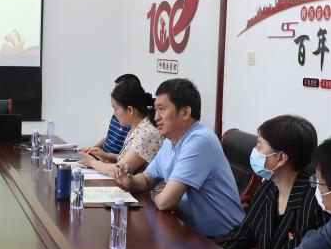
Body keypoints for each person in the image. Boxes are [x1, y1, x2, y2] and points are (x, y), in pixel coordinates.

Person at [218, 115, 331, 249]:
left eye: (259, 146)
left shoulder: (318, 201)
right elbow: (240, 237)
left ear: (280, 158)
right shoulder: (267, 189)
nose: (254, 151)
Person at [114, 78, 243, 238]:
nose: (156, 117)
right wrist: (130, 180)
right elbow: (146, 180)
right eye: (155, 109)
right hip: (187, 231)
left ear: (185, 113)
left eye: (162, 109)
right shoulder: (170, 141)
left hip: (223, 240)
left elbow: (165, 203)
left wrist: (156, 197)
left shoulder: (201, 140)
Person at [79, 78, 162, 177]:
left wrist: (92, 162)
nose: (114, 113)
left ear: (130, 110)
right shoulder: (138, 126)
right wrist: (105, 155)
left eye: (115, 109)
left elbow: (118, 170)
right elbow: (129, 158)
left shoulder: (147, 133)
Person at [80, 73, 139, 158]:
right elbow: (110, 137)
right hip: (103, 156)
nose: (115, 93)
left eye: (118, 90)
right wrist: (93, 149)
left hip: (111, 160)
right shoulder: (117, 114)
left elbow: (125, 159)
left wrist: (104, 156)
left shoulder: (133, 123)